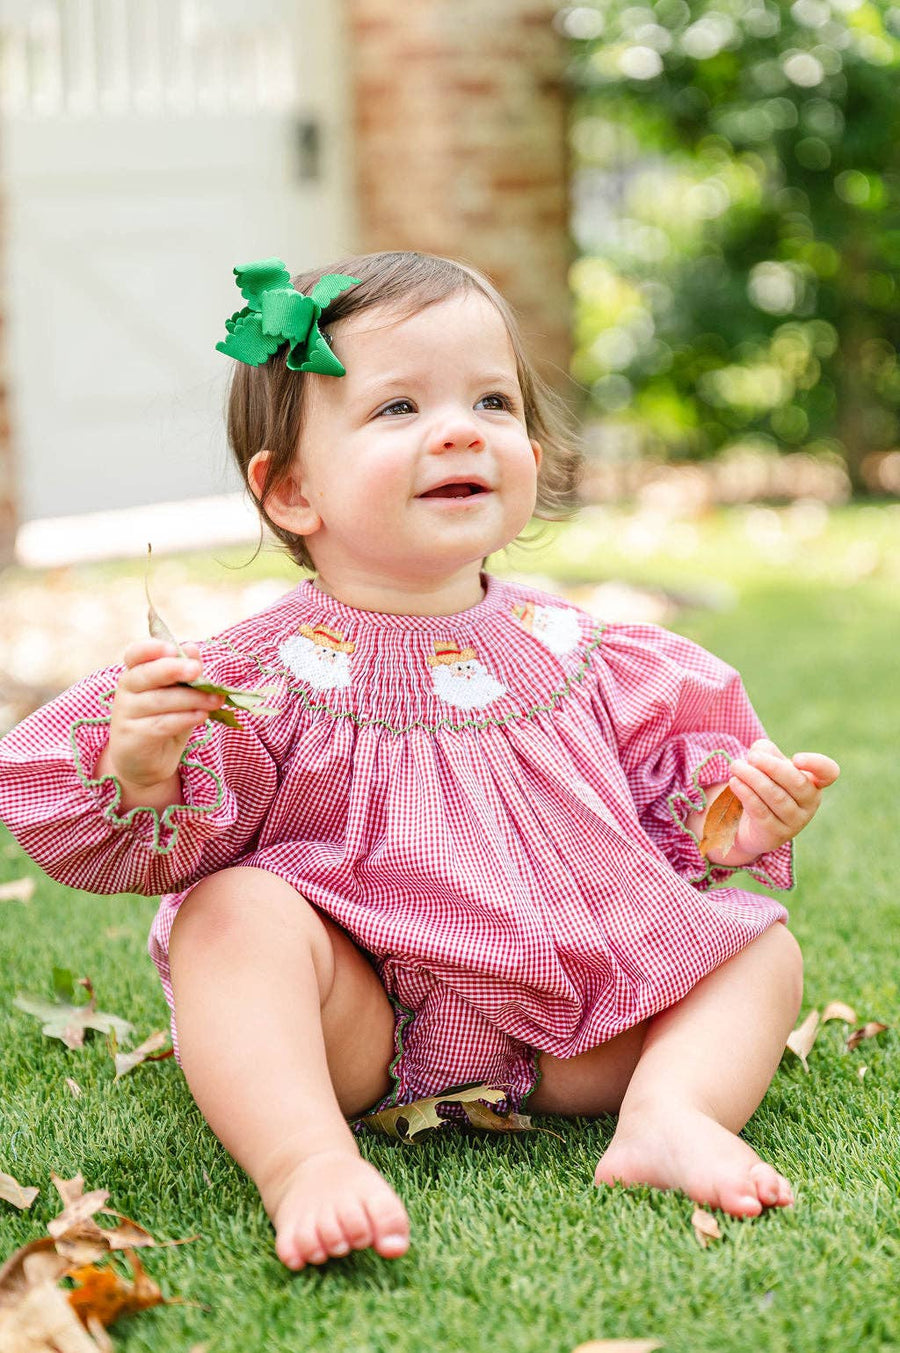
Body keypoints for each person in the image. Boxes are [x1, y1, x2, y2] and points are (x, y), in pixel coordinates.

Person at [0, 251, 839, 1273]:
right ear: (293, 492)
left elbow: (670, 825)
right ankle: (305, 1157)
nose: (460, 429)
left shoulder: (591, 656)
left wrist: (736, 826)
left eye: (491, 399)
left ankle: (670, 1111)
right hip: (359, 1031)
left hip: (569, 1031)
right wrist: (143, 769)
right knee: (232, 912)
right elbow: (161, 849)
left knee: (759, 949)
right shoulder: (250, 678)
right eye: (397, 408)